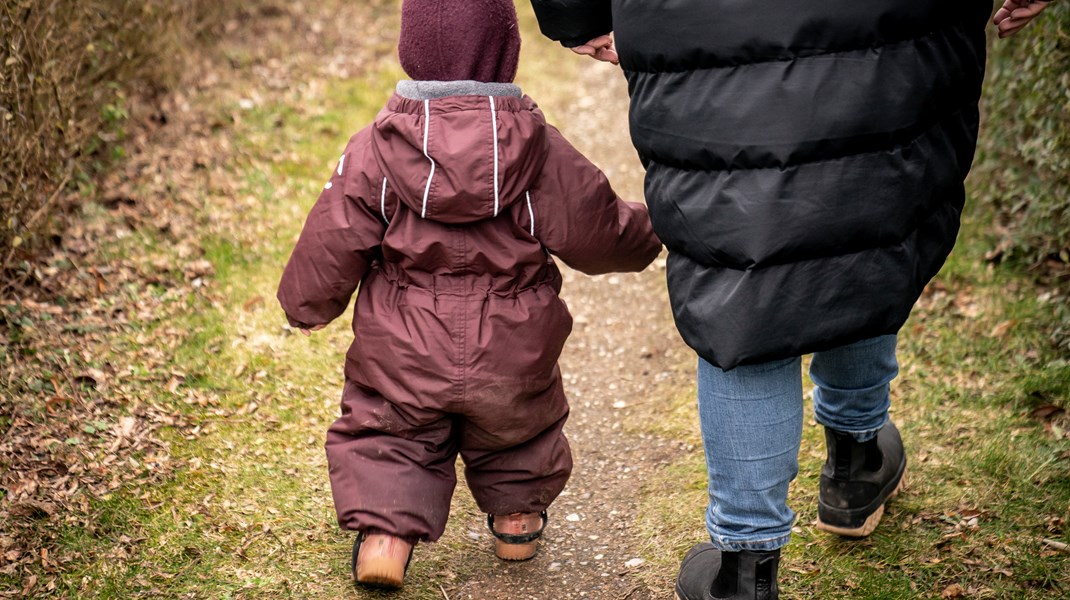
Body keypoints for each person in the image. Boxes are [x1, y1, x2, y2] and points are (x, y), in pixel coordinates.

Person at [530, 0, 1055, 598]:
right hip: (889, 21)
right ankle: (857, 464)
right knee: (863, 214)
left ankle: (746, 569)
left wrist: (578, 12)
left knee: (742, 280)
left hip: (701, 22)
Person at [276, 0, 661, 589]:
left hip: (403, 343)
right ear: (505, 53)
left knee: (390, 430)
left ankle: (385, 537)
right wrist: (650, 232)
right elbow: (598, 229)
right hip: (512, 342)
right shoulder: (539, 148)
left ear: (411, 52)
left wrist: (305, 304)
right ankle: (517, 521)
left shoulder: (376, 147)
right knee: (520, 426)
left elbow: (333, 235)